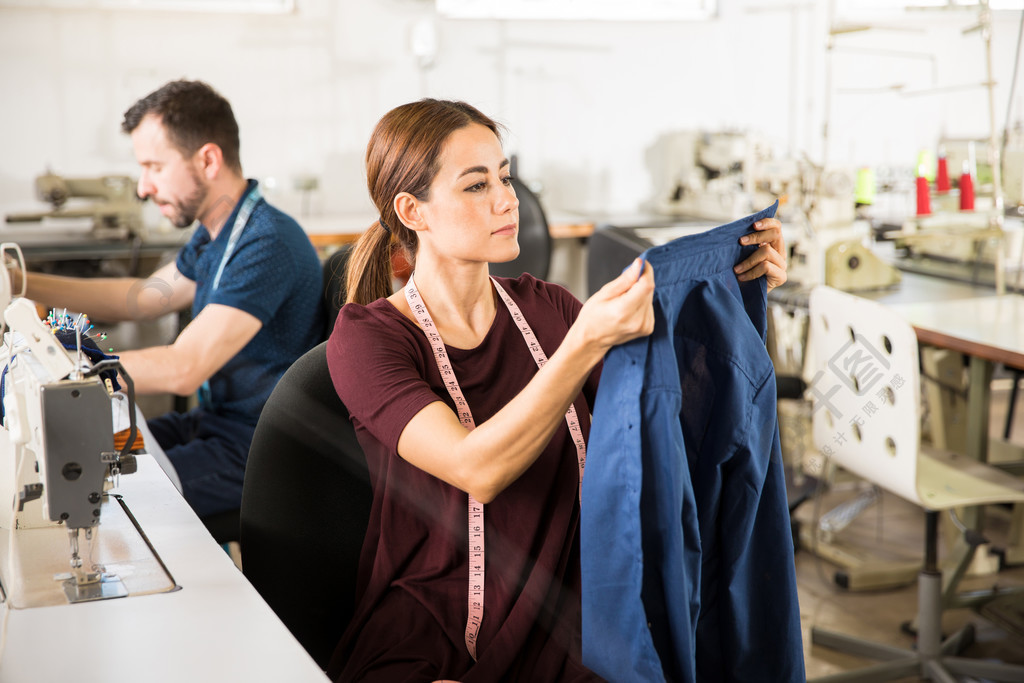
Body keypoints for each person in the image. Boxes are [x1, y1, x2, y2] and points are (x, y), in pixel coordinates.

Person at [326, 99, 787, 682]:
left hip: (574, 618)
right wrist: (584, 343)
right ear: (412, 210)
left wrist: (731, 294)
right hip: (438, 629)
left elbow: (665, 413)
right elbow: (477, 468)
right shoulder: (369, 340)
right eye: (475, 186)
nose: (506, 199)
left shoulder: (549, 309)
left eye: (505, 176)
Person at [17, 79, 325, 518]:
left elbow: (184, 368)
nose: (143, 187)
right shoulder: (216, 234)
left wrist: (63, 366)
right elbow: (144, 297)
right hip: (216, 426)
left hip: (261, 449)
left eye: (154, 167)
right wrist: (22, 281)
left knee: (106, 496)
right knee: (77, 453)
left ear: (208, 159)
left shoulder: (266, 242)